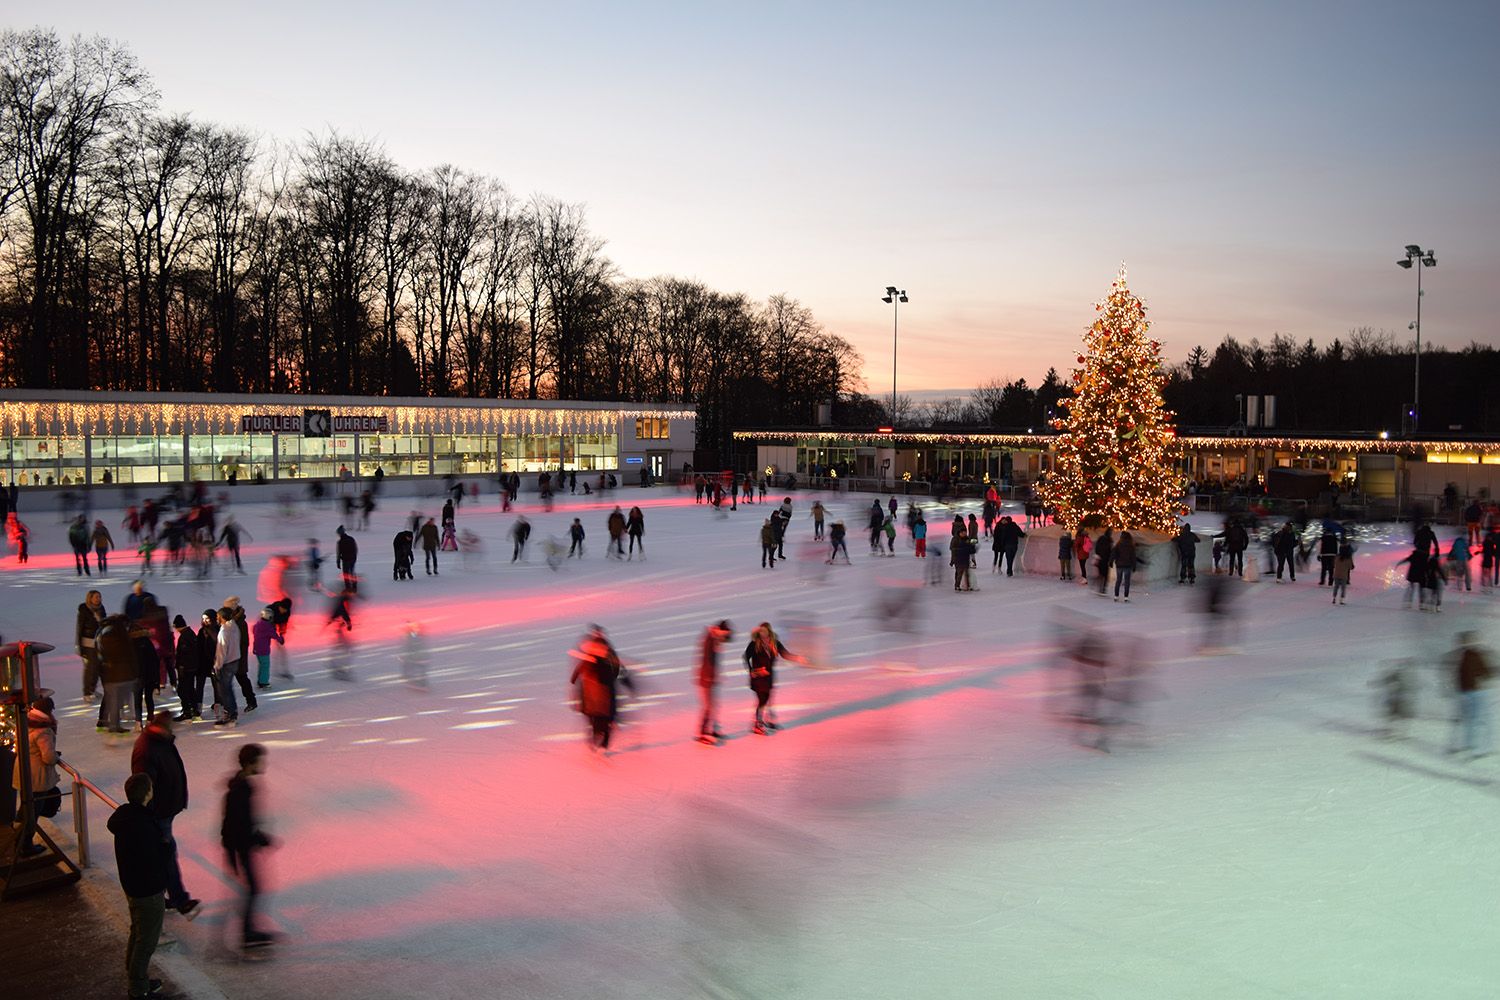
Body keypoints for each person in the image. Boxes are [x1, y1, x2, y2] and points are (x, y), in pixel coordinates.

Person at [130, 711, 201, 921]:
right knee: (166, 855)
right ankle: (179, 900)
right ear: (160, 726)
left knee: (164, 855)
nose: (173, 730)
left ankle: (162, 897)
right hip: (158, 812)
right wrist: (150, 812)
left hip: (166, 808)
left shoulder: (161, 740)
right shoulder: (147, 748)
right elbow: (144, 784)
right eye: (170, 726)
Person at [109, 773, 169, 999]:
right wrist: (166, 848)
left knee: (138, 933)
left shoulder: (127, 819)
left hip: (133, 886)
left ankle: (138, 978)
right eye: (151, 788)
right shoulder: (142, 825)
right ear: (147, 793)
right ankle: (138, 989)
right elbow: (153, 858)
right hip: (148, 890)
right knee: (146, 941)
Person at [222, 743, 277, 950]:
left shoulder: (243, 786)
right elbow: (234, 825)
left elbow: (242, 823)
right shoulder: (239, 791)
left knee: (253, 888)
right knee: (253, 888)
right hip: (241, 847)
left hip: (242, 845)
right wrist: (257, 840)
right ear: (249, 764)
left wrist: (260, 838)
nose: (265, 764)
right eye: (261, 761)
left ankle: (248, 930)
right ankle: (247, 933)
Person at [10, 695, 60, 857]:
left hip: (23, 771)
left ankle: (17, 840)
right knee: (32, 811)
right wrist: (56, 756)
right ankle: (25, 844)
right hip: (36, 776)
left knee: (25, 808)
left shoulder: (25, 719)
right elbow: (48, 757)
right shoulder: (43, 729)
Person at [570, 626, 630, 751]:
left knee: (597, 716)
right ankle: (602, 740)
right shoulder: (604, 651)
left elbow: (581, 669)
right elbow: (617, 666)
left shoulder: (594, 652)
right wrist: (625, 680)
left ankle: (599, 739)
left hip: (595, 691)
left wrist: (575, 680)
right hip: (600, 690)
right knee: (603, 716)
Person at [744, 622, 806, 735]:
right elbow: (746, 657)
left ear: (768, 631)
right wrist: (751, 670)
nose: (762, 633)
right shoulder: (754, 644)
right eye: (760, 631)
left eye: (764, 630)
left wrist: (797, 658)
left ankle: (767, 720)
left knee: (766, 698)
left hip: (768, 677)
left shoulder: (775, 643)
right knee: (762, 699)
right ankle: (757, 724)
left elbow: (785, 654)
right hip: (758, 676)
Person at [1450, 633, 1492, 758]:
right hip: (1467, 692)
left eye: (1464, 641)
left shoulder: (1473, 654)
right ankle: (1471, 746)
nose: (1463, 644)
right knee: (1470, 720)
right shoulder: (1462, 655)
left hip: (1476, 692)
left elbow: (1487, 672)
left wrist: (1478, 678)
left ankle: (1478, 748)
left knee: (1476, 720)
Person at [97, 612, 139, 734]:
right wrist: (135, 672)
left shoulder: (104, 635)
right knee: (117, 700)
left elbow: (101, 655)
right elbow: (131, 656)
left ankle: (108, 722)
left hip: (109, 674)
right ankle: (114, 726)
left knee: (111, 700)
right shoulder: (123, 637)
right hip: (123, 675)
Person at [696, 621, 732, 744]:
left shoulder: (715, 638)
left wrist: (716, 675)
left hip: (711, 678)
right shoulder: (710, 639)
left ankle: (713, 729)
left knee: (714, 705)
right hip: (706, 678)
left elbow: (714, 660)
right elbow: (706, 659)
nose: (725, 638)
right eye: (725, 634)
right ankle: (703, 733)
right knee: (708, 706)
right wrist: (709, 676)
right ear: (720, 630)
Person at [213, 607, 241, 726]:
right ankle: (232, 712)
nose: (216, 618)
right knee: (228, 688)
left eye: (218, 616)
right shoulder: (234, 627)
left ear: (222, 617)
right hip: (235, 660)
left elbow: (221, 652)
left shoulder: (223, 632)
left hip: (227, 663)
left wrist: (217, 666)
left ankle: (230, 714)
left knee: (224, 690)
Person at [77, 588, 106, 704]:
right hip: (88, 643)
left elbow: (105, 623)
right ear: (90, 598)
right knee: (90, 668)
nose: (98, 599)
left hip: (99, 641)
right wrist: (80, 647)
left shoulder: (101, 609)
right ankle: (87, 692)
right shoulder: (84, 610)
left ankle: (92, 689)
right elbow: (80, 628)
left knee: (98, 667)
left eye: (99, 597)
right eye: (96, 597)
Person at [171, 615, 201, 721]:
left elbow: (184, 654)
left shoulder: (184, 637)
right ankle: (194, 709)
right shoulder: (190, 633)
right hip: (192, 667)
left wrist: (181, 666)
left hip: (186, 668)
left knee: (182, 690)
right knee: (190, 688)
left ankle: (187, 711)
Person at [252, 607, 283, 689]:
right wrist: (281, 639)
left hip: (257, 648)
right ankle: (264, 682)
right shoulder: (267, 627)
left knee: (261, 665)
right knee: (265, 666)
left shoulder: (257, 624)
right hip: (264, 649)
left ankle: (260, 680)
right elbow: (274, 635)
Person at [1113, 530, 1138, 601]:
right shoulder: (1131, 546)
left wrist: (1111, 561)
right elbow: (1133, 557)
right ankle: (1126, 597)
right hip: (1127, 565)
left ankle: (1116, 596)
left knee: (1118, 580)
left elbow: (1114, 553)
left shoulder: (1118, 544)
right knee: (1127, 581)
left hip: (1119, 565)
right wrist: (1134, 566)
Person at [335, 526, 359, 592]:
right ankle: (354, 587)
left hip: (346, 560)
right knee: (352, 572)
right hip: (352, 559)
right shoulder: (351, 539)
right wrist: (354, 557)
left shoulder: (340, 542)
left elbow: (338, 553)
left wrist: (338, 562)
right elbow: (355, 549)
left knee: (346, 574)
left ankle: (348, 588)